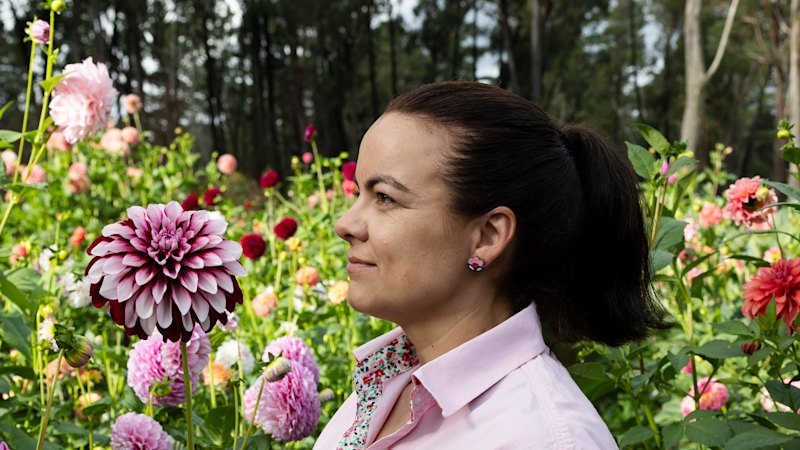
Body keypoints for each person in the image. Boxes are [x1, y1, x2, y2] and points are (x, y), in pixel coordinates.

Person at [314, 81, 668, 450]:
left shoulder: (544, 438)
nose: (345, 224)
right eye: (360, 193)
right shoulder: (387, 383)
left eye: (385, 197)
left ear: (487, 236)